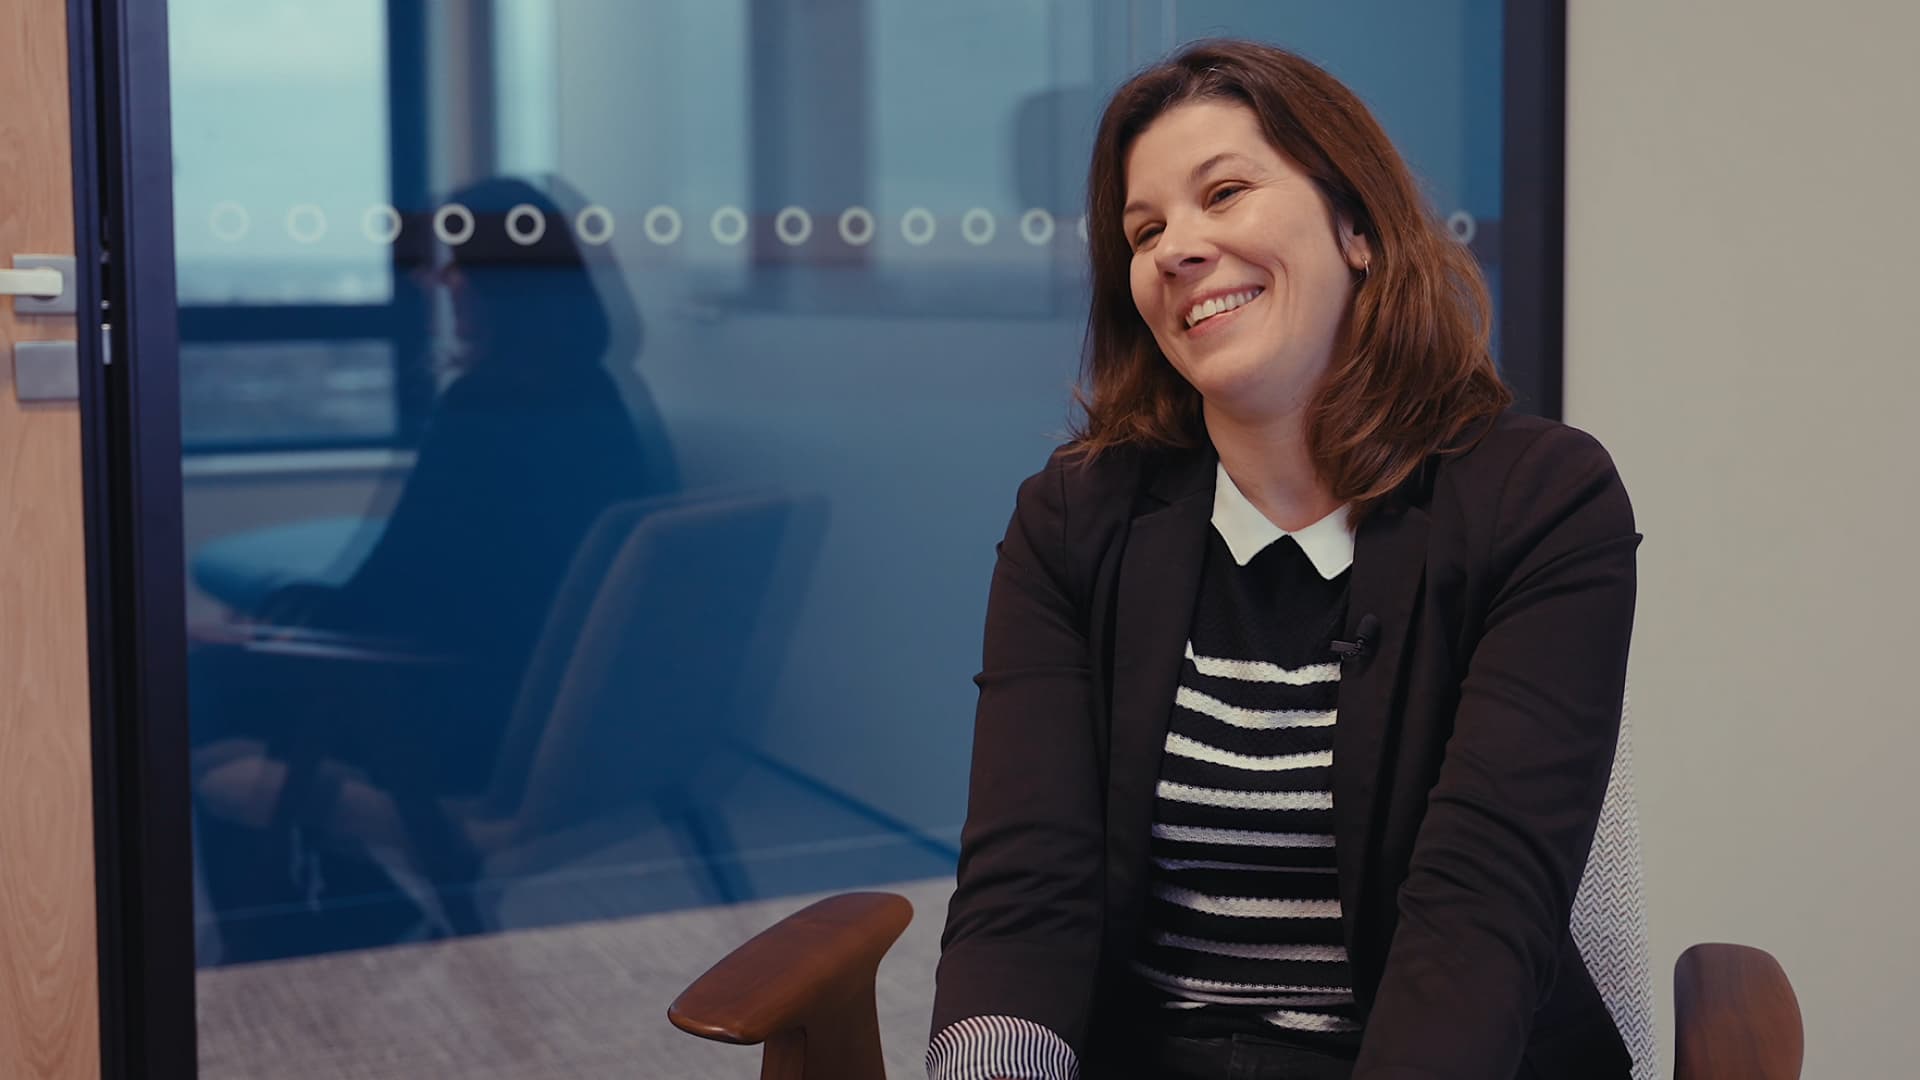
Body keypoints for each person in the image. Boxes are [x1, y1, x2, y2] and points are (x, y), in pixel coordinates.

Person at [927, 41, 1637, 1080]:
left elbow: (1480, 911)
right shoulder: (1073, 518)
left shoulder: (1541, 498)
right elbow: (1026, 887)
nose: (1179, 248)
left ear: (1356, 227)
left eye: (1225, 193)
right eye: (1146, 229)